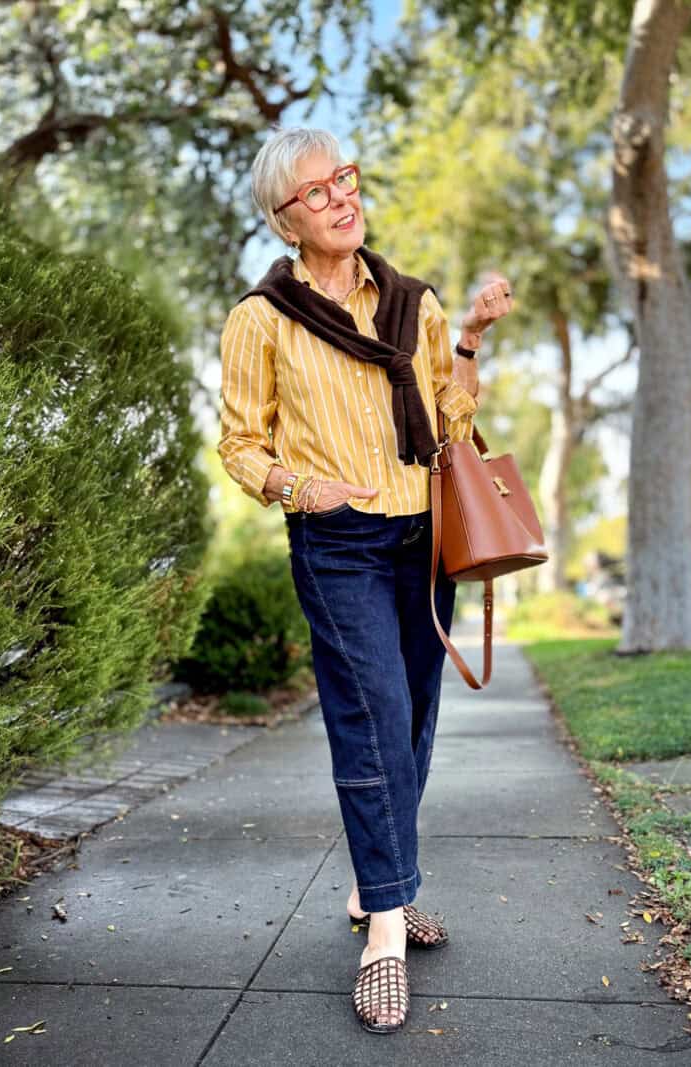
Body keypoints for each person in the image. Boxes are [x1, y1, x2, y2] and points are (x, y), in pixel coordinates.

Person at [217, 126, 513, 1034]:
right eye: (319, 190)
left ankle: (368, 884)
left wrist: (466, 338)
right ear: (284, 219)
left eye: (346, 177)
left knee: (417, 719)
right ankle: (386, 928)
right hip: (337, 541)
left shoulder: (413, 305)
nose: (343, 196)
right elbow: (239, 444)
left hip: (422, 540)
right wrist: (306, 487)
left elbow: (451, 421)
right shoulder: (260, 320)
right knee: (374, 719)